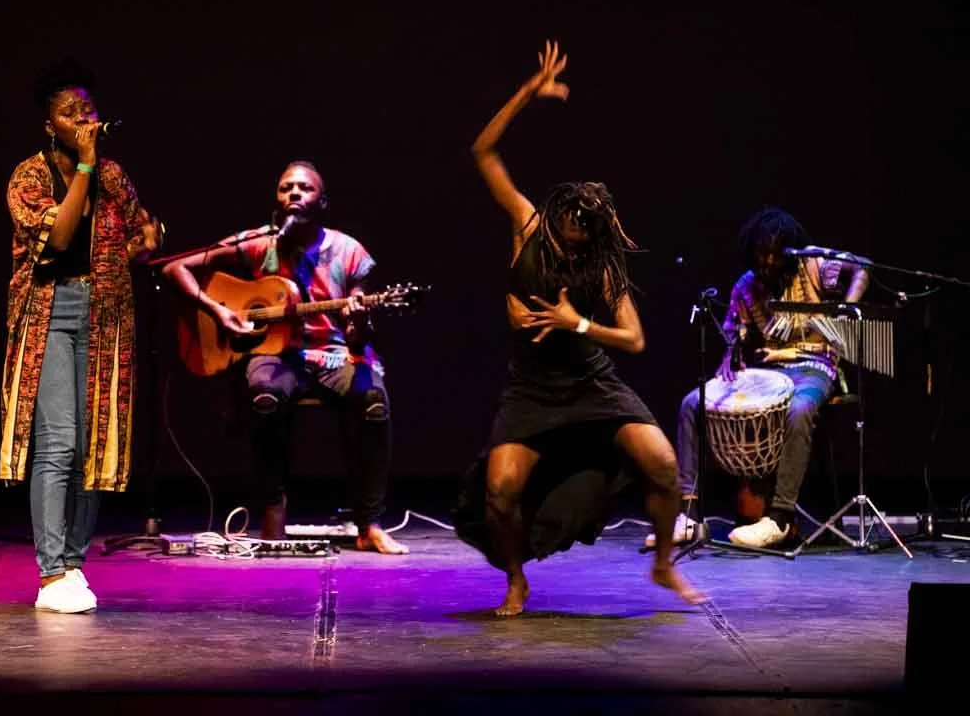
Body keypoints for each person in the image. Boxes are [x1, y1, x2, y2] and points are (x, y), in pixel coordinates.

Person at [452, 40, 705, 616]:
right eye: (568, 223)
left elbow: (634, 341)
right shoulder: (527, 223)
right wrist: (526, 94)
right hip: (533, 388)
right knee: (500, 491)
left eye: (583, 231)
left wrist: (578, 322)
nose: (572, 234)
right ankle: (516, 580)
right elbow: (483, 151)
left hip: (591, 384)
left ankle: (663, 564)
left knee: (663, 466)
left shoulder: (602, 268)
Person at [162, 160, 408, 554]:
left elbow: (357, 341)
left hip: (333, 354)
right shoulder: (259, 243)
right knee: (263, 396)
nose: (294, 193)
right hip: (275, 353)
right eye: (285, 188)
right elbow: (176, 268)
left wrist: (357, 323)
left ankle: (369, 523)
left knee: (372, 401)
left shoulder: (348, 251)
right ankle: (273, 512)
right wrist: (217, 310)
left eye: (304, 188)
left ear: (322, 201)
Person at [0, 57, 164, 613]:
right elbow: (60, 235)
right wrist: (88, 168)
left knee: (96, 446)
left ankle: (73, 565)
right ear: (51, 125)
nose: (84, 119)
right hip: (50, 312)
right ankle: (50, 575)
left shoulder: (115, 175)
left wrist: (145, 239)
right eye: (71, 113)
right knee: (60, 442)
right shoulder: (29, 176)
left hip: (105, 314)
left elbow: (142, 230)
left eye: (88, 110)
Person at [660, 206, 870, 550]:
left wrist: (847, 308)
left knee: (799, 410)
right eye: (761, 253)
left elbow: (861, 267)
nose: (768, 261)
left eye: (775, 253)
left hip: (813, 365)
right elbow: (732, 331)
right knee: (691, 404)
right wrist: (731, 354)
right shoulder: (746, 286)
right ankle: (689, 515)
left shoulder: (814, 265)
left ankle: (780, 518)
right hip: (769, 369)